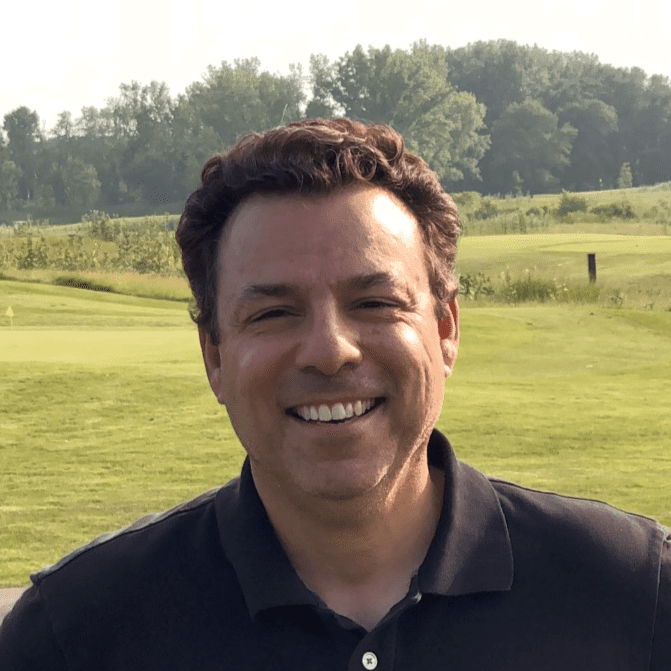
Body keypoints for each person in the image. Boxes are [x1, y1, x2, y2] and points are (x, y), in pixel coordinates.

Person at [0, 118, 669, 669]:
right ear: (214, 356)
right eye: (272, 313)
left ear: (444, 329)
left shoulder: (637, 593)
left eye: (374, 301)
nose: (328, 350)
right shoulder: (75, 632)